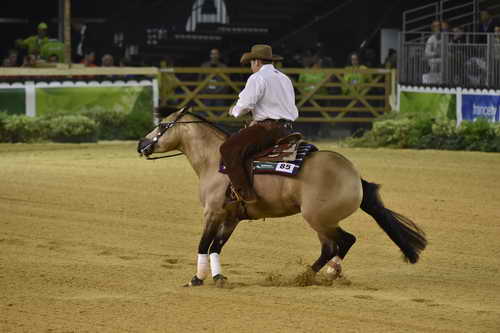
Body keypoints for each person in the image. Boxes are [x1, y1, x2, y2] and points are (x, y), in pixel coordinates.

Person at [219, 44, 298, 203]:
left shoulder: (257, 78)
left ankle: (244, 193)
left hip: (267, 129)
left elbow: (245, 105)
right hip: (287, 129)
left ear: (256, 62)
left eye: (251, 63)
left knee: (228, 148)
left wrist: (234, 110)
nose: (251, 67)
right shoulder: (284, 78)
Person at [424, 20, 442, 84]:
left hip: (442, 60)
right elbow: (427, 53)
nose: (438, 28)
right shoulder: (431, 39)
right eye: (436, 26)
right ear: (433, 28)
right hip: (433, 60)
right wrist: (435, 54)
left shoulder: (444, 38)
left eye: (439, 26)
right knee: (435, 62)